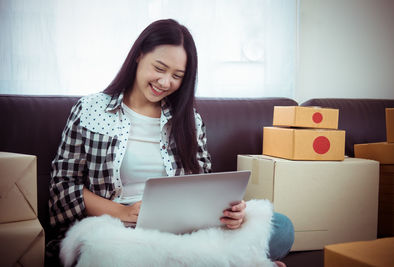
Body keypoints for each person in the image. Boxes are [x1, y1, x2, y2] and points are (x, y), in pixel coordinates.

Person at [47, 19, 294, 266]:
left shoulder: (189, 120)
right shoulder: (91, 109)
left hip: (181, 229)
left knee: (282, 227)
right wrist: (122, 212)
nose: (165, 83)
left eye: (177, 76)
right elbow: (62, 187)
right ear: (139, 55)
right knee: (108, 251)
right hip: (115, 227)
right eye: (159, 68)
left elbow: (203, 186)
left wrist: (230, 212)